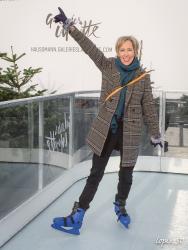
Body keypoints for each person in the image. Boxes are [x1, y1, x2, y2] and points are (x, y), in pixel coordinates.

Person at [51, 7, 163, 235]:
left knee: (126, 174)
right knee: (96, 174)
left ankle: (120, 205)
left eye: (129, 49)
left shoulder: (143, 76)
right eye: (122, 50)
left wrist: (155, 132)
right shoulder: (108, 66)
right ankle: (78, 215)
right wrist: (70, 27)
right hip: (108, 129)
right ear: (117, 51)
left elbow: (149, 106)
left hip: (129, 131)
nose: (126, 53)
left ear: (136, 50)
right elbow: (90, 49)